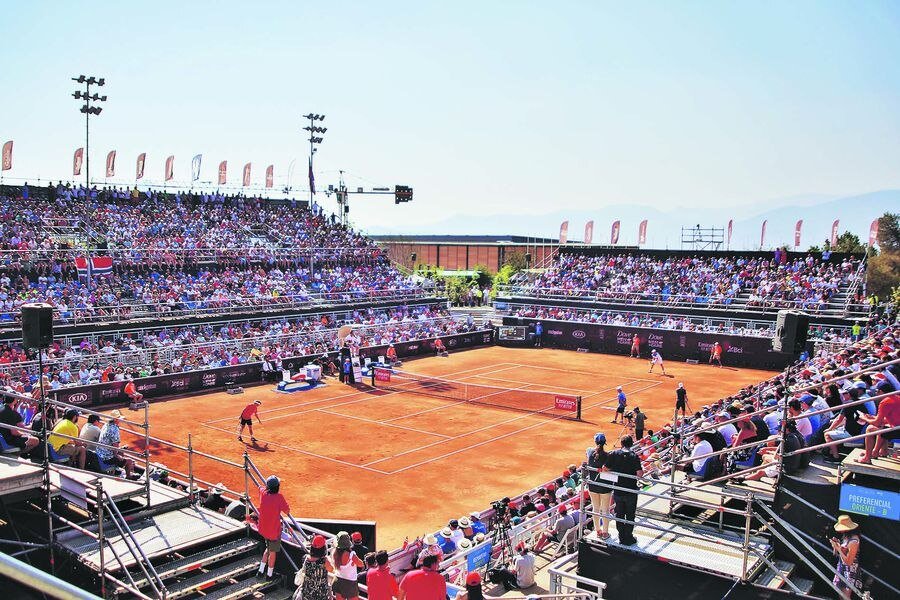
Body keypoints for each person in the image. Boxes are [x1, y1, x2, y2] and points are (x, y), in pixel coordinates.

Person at [605, 435, 643, 545]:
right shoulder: (634, 456)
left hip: (618, 490)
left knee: (619, 514)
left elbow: (605, 469)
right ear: (631, 444)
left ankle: (621, 536)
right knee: (630, 515)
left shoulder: (614, 454)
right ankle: (629, 537)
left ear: (621, 444)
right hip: (631, 490)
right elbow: (640, 474)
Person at [257, 475, 290, 579]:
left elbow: (260, 488)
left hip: (263, 529)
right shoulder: (279, 497)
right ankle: (269, 574)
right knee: (272, 552)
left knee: (268, 549)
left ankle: (261, 571)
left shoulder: (263, 494)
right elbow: (287, 510)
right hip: (273, 532)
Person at [829, 515, 862, 599]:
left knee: (846, 596)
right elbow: (837, 554)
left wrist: (838, 549)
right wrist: (836, 546)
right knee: (841, 594)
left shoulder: (854, 541)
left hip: (850, 570)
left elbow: (849, 562)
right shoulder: (846, 537)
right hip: (842, 567)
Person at [295, 534, 333, 600]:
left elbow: (304, 570)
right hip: (321, 591)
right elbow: (332, 569)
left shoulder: (307, 558)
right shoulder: (325, 561)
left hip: (308, 590)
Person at [332, 531, 364, 600]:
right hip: (350, 583)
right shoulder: (351, 554)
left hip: (337, 580)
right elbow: (361, 564)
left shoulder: (334, 552)